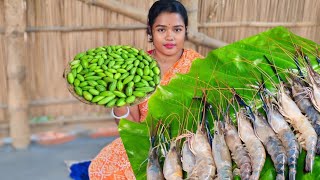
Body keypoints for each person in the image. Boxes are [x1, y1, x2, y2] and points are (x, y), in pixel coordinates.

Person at [89, 0, 203, 179]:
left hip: (189, 141)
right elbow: (130, 125)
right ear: (150, 30)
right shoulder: (136, 68)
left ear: (185, 30)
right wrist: (118, 100)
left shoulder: (198, 65)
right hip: (145, 141)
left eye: (177, 29)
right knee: (102, 169)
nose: (169, 37)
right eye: (161, 29)